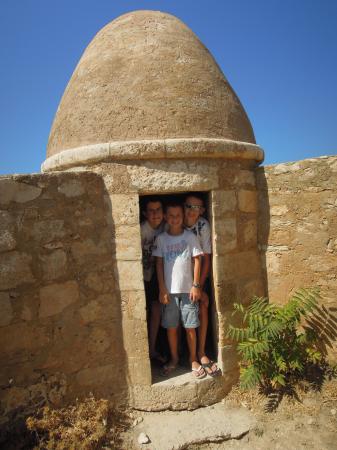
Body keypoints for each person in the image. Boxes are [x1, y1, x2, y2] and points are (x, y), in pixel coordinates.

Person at [153, 201, 206, 378]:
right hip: (169, 292)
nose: (175, 219)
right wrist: (162, 288)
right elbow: (159, 264)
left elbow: (198, 259)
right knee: (171, 327)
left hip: (188, 291)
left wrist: (196, 285)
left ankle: (192, 359)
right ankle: (175, 358)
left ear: (182, 217)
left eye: (178, 215)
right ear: (166, 218)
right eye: (171, 216)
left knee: (190, 327)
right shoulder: (161, 239)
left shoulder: (190, 237)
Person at [184, 194, 220, 376]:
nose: (191, 211)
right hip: (179, 278)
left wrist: (199, 285)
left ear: (203, 210)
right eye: (188, 206)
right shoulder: (175, 221)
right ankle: (187, 355)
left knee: (203, 305)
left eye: (196, 207)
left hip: (197, 278)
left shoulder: (203, 225)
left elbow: (206, 258)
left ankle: (201, 352)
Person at [141, 196, 167, 363]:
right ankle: (146, 351)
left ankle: (152, 349)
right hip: (143, 276)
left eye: (158, 210)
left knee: (157, 310)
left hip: (158, 275)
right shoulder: (141, 230)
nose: (155, 214)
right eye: (151, 210)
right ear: (144, 213)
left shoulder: (166, 227)